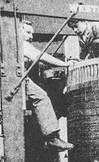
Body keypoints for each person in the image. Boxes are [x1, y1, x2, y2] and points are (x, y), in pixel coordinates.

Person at [21, 20, 74, 151]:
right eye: (27, 32)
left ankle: (51, 138)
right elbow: (40, 56)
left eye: (31, 33)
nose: (31, 36)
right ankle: (52, 138)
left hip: (21, 78)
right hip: (19, 79)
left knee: (42, 97)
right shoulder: (20, 43)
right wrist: (64, 64)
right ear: (18, 31)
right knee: (42, 97)